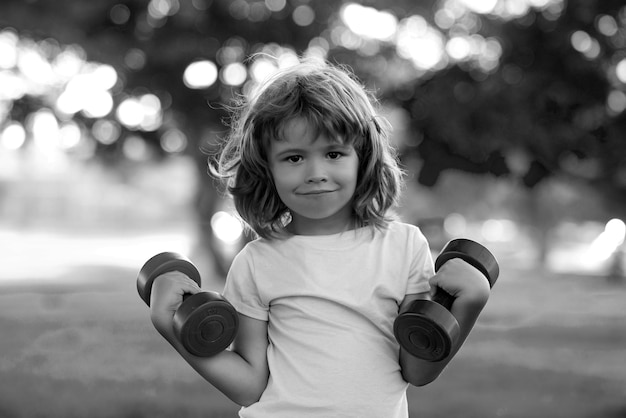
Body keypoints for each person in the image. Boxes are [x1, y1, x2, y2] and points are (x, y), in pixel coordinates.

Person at [148, 58, 491, 418]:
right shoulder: (256, 262)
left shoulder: (404, 247)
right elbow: (249, 387)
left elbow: (418, 370)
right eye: (294, 158)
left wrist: (469, 304)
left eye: (333, 153)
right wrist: (172, 328)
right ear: (267, 168)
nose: (316, 173)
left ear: (363, 157)